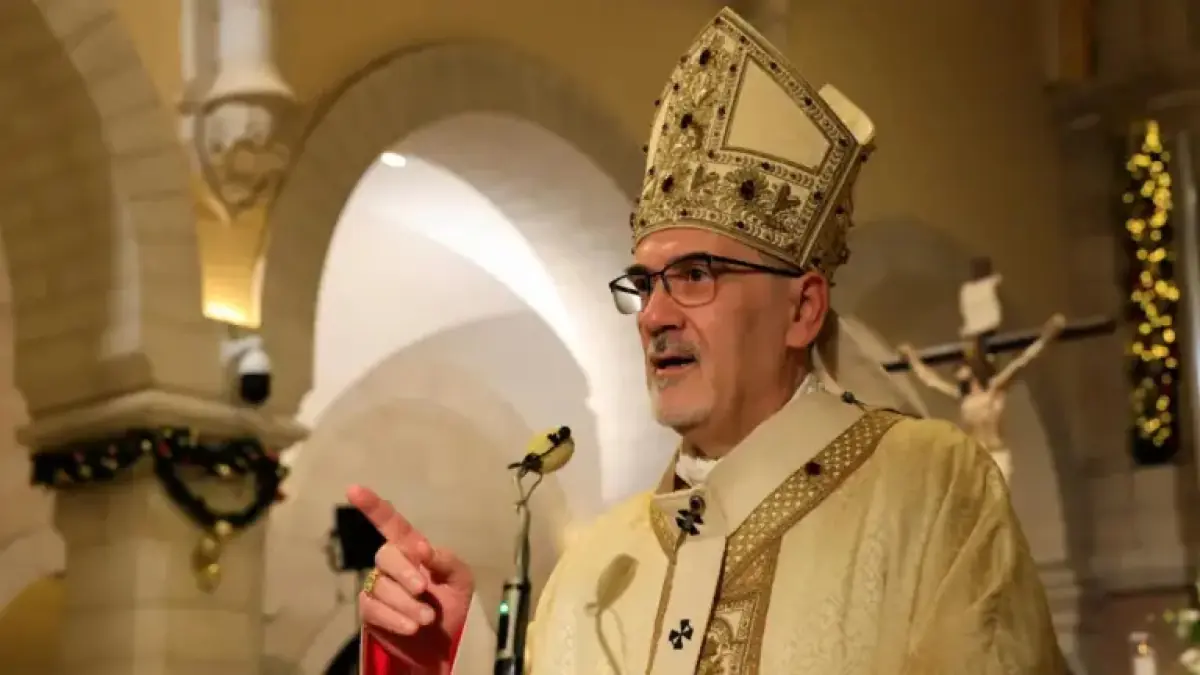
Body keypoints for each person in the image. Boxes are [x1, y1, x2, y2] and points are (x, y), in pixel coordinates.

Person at [351, 7, 1068, 674]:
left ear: (803, 309)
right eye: (645, 282)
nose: (653, 315)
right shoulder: (593, 572)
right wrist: (448, 659)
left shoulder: (930, 490)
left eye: (696, 274)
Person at [898, 313, 1067, 482]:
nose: (957, 372)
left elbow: (1022, 362)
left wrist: (1047, 336)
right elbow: (931, 381)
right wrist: (912, 358)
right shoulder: (961, 396)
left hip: (996, 457)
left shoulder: (994, 388)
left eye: (961, 367)